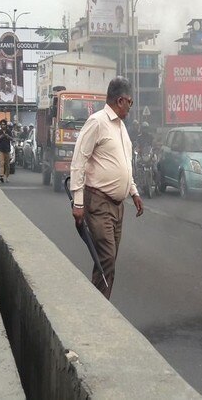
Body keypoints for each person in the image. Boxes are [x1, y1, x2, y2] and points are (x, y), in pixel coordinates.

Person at [70, 76, 143, 299]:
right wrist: (78, 202)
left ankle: (100, 304)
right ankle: (98, 310)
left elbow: (123, 164)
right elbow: (78, 162)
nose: (131, 107)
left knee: (107, 261)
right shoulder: (97, 122)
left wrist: (134, 192)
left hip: (117, 206)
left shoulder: (121, 127)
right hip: (98, 202)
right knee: (107, 257)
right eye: (130, 102)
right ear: (121, 100)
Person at [0, 119, 14, 183]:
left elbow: (12, 139)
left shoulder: (9, 131)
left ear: (6, 125)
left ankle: (7, 177)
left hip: (7, 150)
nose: (3, 125)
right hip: (1, 150)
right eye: (2, 124)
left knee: (7, 164)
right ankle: (1, 176)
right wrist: (0, 137)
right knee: (2, 163)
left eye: (4, 124)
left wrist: (8, 136)